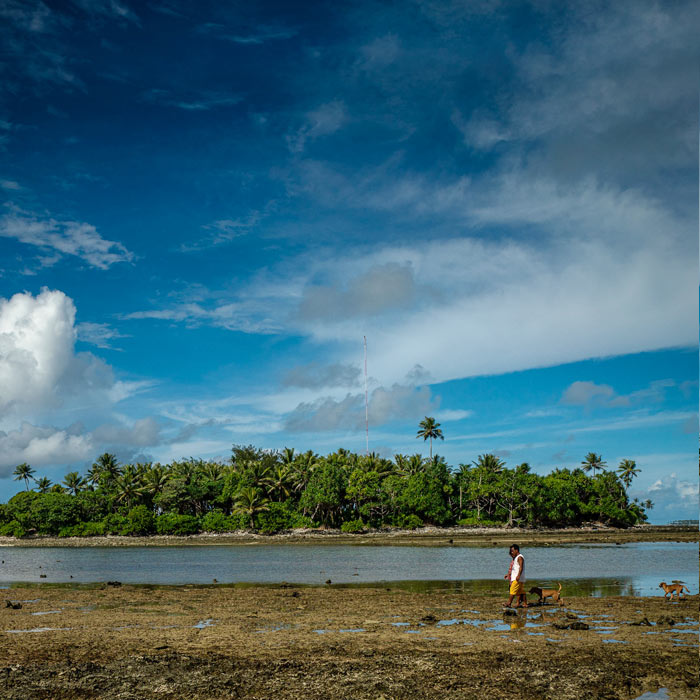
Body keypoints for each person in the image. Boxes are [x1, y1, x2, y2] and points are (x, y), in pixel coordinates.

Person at [503, 544, 527, 608]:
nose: (512, 552)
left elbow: (521, 567)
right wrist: (509, 574)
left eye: (513, 551)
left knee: (512, 590)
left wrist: (518, 575)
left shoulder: (519, 557)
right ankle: (525, 603)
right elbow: (515, 568)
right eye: (511, 551)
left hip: (517, 578)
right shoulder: (516, 557)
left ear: (516, 550)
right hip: (518, 578)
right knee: (521, 591)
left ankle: (509, 603)